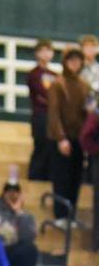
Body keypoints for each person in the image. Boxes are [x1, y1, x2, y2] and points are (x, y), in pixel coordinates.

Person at [47, 47, 88, 224]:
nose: (75, 64)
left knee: (75, 178)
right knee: (61, 177)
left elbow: (87, 112)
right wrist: (61, 138)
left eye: (78, 60)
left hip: (79, 139)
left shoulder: (84, 85)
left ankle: (71, 215)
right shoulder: (58, 84)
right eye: (71, 60)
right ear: (65, 62)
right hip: (62, 139)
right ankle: (60, 215)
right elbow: (53, 113)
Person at [26, 39, 56, 181]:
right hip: (40, 116)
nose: (46, 54)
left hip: (53, 117)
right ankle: (35, 177)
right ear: (37, 53)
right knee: (41, 146)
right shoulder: (34, 74)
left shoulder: (55, 75)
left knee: (51, 148)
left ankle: (47, 177)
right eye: (42, 50)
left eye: (48, 50)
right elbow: (40, 94)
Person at [80, 34, 99, 102]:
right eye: (87, 46)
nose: (90, 49)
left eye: (93, 46)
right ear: (82, 49)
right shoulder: (77, 67)